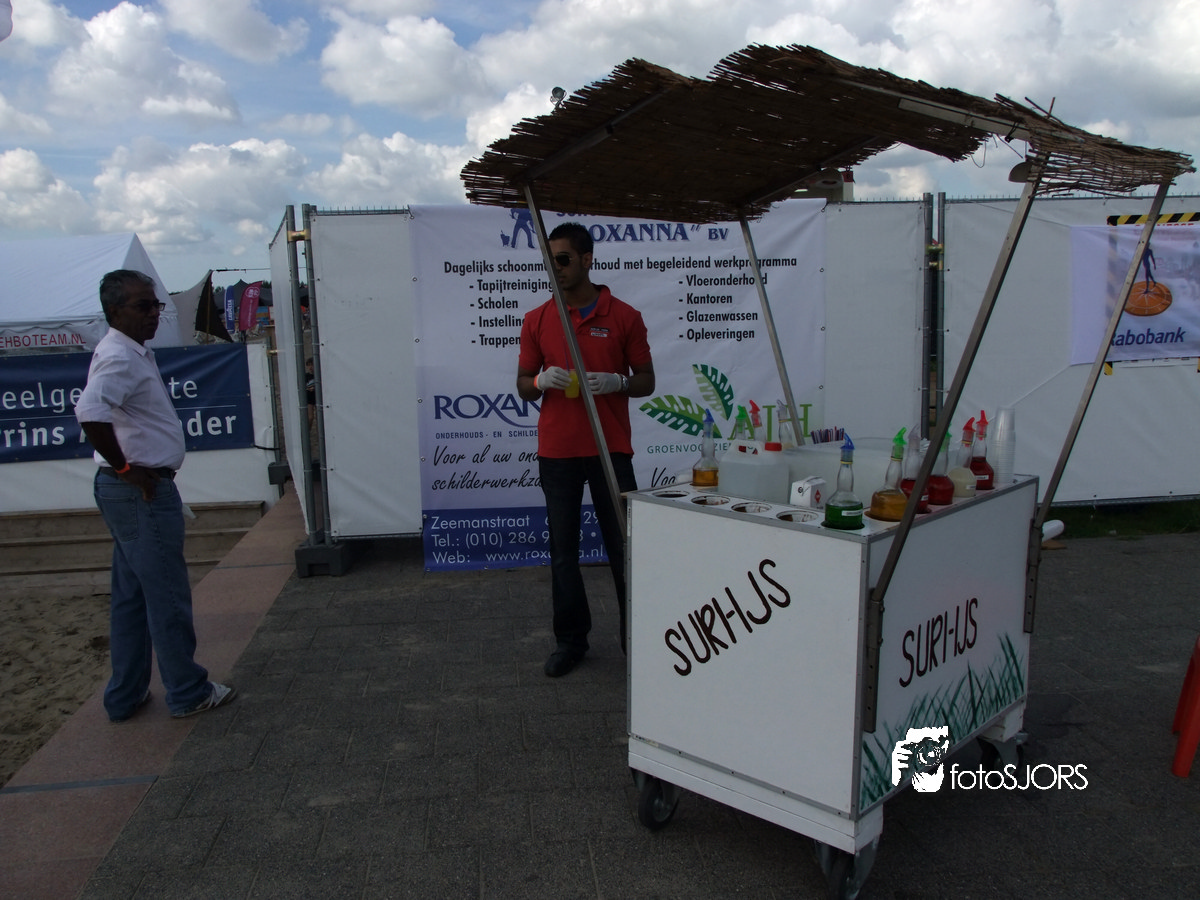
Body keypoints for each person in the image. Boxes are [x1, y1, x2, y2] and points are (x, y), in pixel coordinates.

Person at [75, 270, 236, 722]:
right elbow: (90, 411)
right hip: (140, 491)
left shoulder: (127, 351)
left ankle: (125, 695)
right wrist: (128, 469)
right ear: (114, 311)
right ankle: (187, 691)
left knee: (131, 598)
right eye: (142, 306)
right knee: (166, 594)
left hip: (129, 490)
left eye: (156, 305)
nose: (153, 314)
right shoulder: (120, 356)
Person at [517, 222, 655, 677]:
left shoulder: (624, 316)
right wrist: (540, 381)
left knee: (624, 548)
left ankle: (636, 643)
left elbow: (647, 380)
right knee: (563, 552)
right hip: (558, 451)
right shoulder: (538, 318)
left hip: (611, 450)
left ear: (586, 259)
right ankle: (570, 641)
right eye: (549, 259)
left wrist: (619, 382)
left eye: (562, 259)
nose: (554, 267)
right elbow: (522, 385)